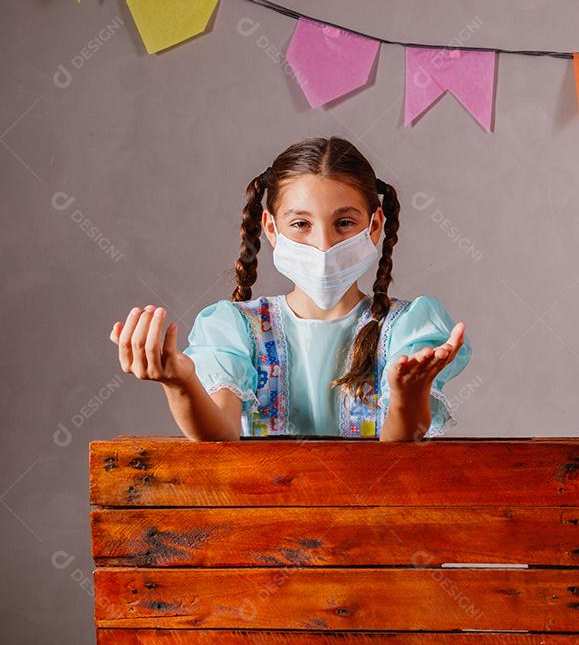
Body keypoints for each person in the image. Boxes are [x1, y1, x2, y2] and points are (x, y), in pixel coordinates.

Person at [109, 136, 470, 441]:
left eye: (344, 223)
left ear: (374, 226)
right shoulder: (236, 328)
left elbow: (399, 458)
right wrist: (180, 383)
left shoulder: (407, 330)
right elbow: (220, 435)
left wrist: (409, 397)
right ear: (271, 227)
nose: (323, 244)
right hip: (264, 520)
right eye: (301, 223)